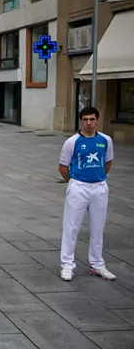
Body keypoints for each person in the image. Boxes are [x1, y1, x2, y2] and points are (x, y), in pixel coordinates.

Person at [58, 107, 116, 281]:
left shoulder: (106, 140)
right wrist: (75, 183)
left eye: (92, 119)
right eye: (85, 119)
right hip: (78, 187)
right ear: (81, 121)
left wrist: (98, 179)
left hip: (99, 187)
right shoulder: (72, 142)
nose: (88, 123)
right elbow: (62, 168)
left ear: (97, 120)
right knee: (71, 228)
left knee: (98, 228)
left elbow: (107, 162)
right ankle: (67, 265)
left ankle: (97, 264)